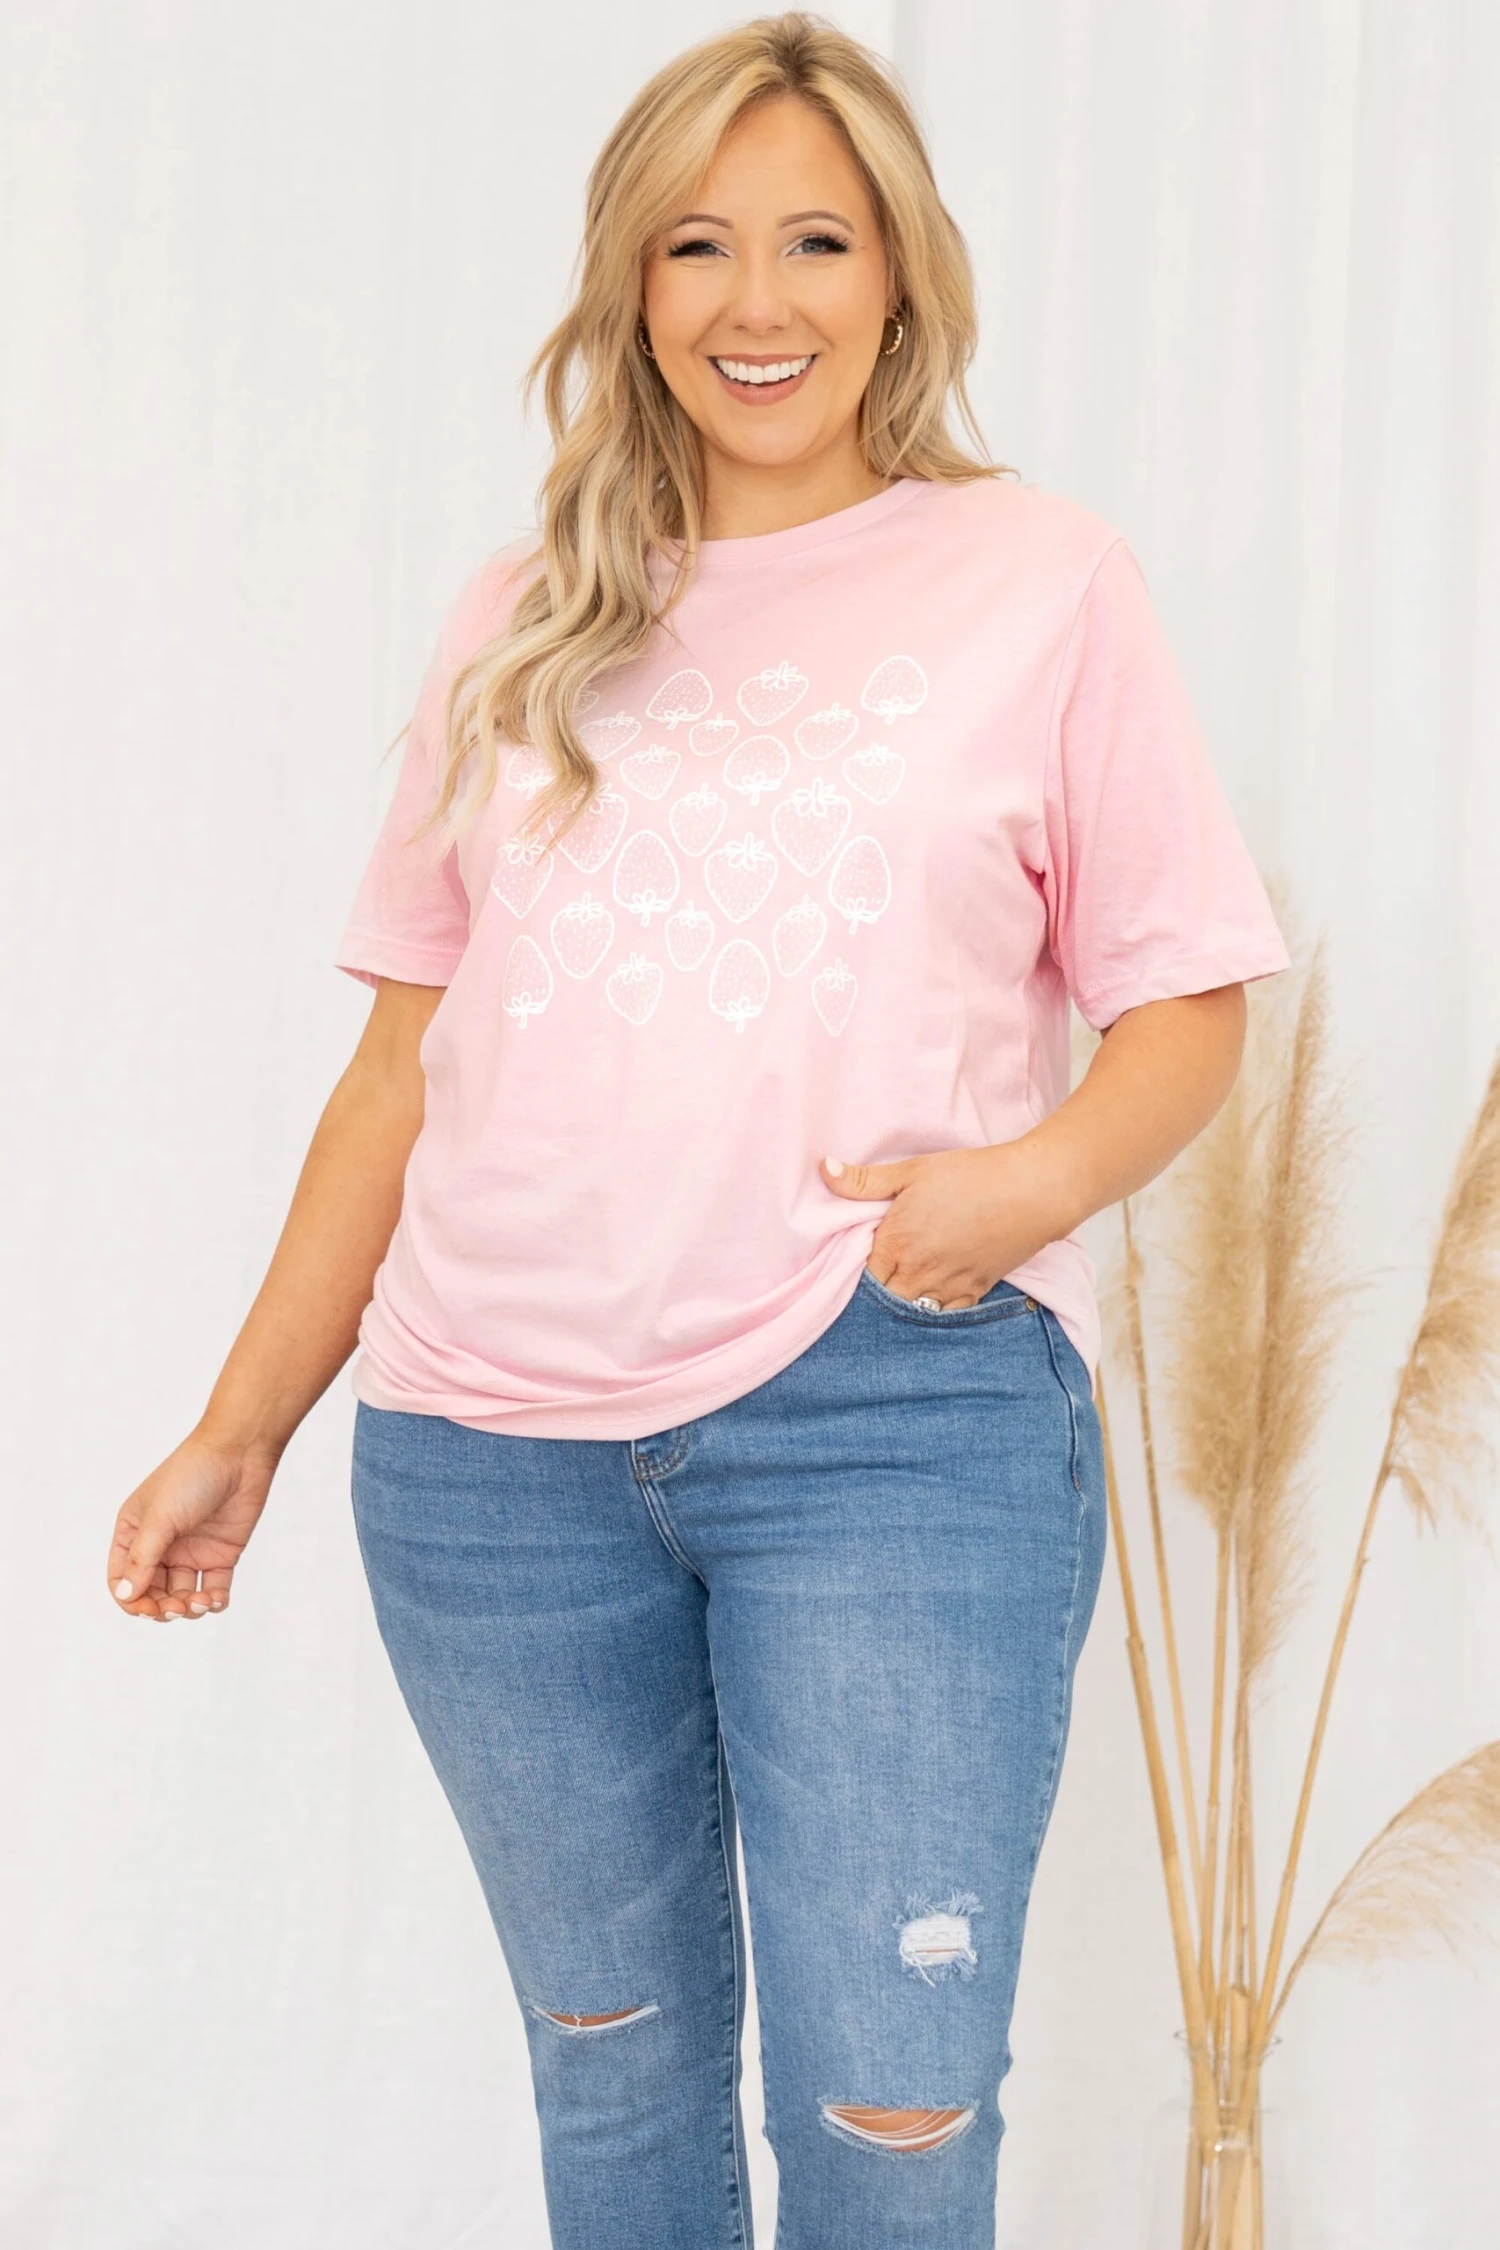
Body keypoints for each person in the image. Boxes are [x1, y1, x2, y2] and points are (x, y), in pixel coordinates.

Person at [105, 14, 1289, 2247]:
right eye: (697, 245)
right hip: (486, 1457)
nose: (760, 302)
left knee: (889, 2113)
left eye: (818, 241)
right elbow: (397, 1071)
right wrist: (241, 1428)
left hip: (892, 1417)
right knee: (615, 2076)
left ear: (901, 274)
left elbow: (1187, 999)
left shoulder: (1041, 583)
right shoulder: (523, 612)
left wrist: (1013, 1195)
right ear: (631, 286)